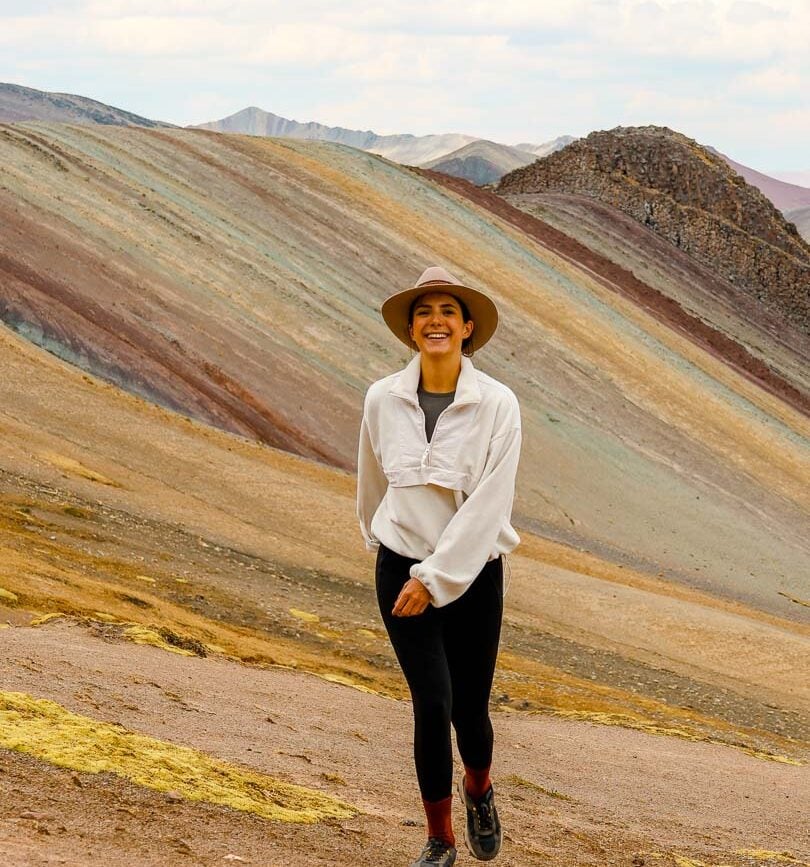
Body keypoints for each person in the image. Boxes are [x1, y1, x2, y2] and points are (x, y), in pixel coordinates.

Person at [356, 265, 522, 865]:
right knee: (432, 700)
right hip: (400, 572)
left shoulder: (499, 406)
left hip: (473, 576)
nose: (435, 322)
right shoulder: (383, 398)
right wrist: (388, 550)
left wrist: (434, 579)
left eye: (448, 312)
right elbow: (372, 481)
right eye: (424, 312)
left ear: (468, 328)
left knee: (469, 710)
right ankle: (439, 840)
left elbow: (488, 508)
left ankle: (479, 788)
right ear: (410, 330)